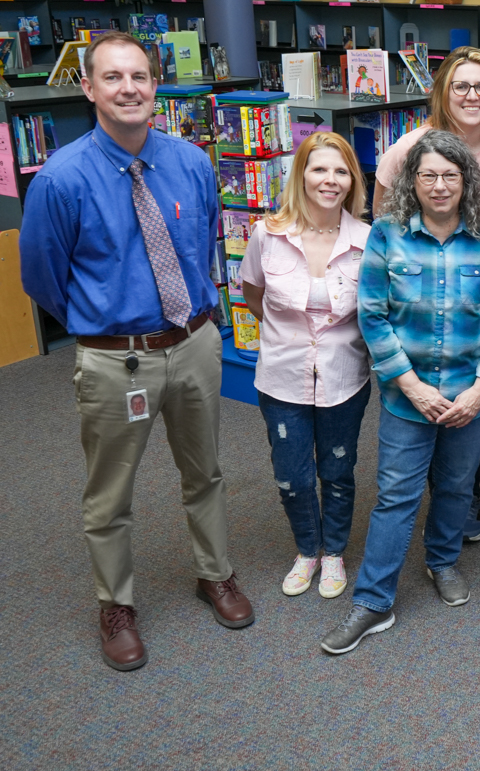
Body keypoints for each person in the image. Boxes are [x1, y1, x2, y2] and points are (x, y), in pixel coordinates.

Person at [19, 32, 253, 672]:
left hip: (196, 342)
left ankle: (216, 574)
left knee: (203, 472)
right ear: (89, 88)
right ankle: (115, 604)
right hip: (115, 358)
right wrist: (102, 323)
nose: (130, 89)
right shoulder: (61, 179)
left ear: (156, 86)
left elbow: (204, 240)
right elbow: (41, 276)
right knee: (110, 492)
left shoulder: (191, 161)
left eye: (140, 77)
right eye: (114, 78)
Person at [320, 131, 480, 654]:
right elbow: (372, 316)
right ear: (413, 180)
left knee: (456, 487)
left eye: (450, 175)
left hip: (470, 396)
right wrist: (409, 384)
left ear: (466, 181)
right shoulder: (387, 235)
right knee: (395, 497)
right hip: (405, 396)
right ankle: (373, 601)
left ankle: (442, 561)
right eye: (428, 175)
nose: (438, 185)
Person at [372, 46, 480, 542]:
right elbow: (385, 226)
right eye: (461, 85)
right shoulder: (407, 149)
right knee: (415, 429)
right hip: (419, 305)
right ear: (442, 92)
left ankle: (462, 502)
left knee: (470, 420)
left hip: (479, 305)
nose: (472, 95)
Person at [240, 132, 372, 600]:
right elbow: (252, 293)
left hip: (344, 378)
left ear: (353, 180)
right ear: (301, 175)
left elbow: (374, 310)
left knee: (338, 470)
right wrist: (287, 336)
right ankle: (308, 550)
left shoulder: (367, 241)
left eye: (340, 171)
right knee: (292, 475)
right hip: (281, 378)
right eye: (319, 169)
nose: (330, 180)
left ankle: (334, 552)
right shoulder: (267, 234)